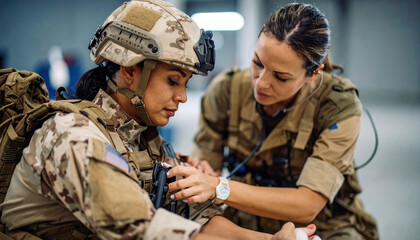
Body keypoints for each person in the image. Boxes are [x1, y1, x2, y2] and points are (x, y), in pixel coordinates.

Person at [0, 1, 319, 240]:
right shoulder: (74, 136)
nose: (182, 96)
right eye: (172, 81)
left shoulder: (146, 141)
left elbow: (198, 219)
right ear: (129, 71)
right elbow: (144, 228)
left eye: (185, 84)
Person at [166, 3, 379, 240]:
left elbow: (308, 205)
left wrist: (218, 187)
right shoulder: (227, 90)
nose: (260, 83)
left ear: (313, 73)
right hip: (244, 220)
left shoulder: (337, 105)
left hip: (323, 227)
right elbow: (207, 166)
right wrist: (202, 172)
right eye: (257, 63)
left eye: (281, 76)